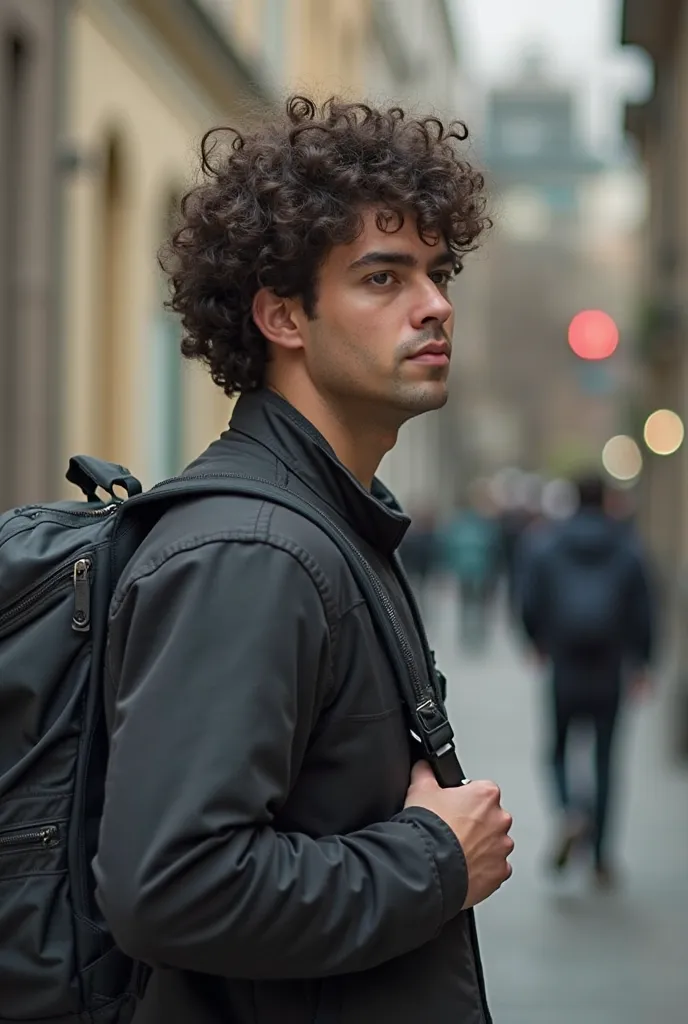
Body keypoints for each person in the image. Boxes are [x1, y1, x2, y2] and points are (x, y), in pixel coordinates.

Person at [94, 96, 513, 1024]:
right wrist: (435, 860)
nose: (437, 304)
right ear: (284, 316)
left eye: (438, 273)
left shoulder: (328, 522)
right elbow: (169, 887)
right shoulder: (253, 552)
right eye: (382, 277)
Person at [519, 473, 655, 887]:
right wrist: (643, 662)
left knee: (558, 750)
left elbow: (530, 598)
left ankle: (570, 811)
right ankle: (601, 858)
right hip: (610, 667)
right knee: (606, 759)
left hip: (565, 664)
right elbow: (644, 609)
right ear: (607, 500)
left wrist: (536, 640)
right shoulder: (628, 547)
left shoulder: (549, 544)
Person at [445, 482, 501, 652]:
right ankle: (474, 635)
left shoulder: (465, 525)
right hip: (476, 572)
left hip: (472, 572)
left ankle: (471, 635)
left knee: (470, 605)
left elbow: (449, 548)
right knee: (474, 604)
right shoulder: (483, 525)